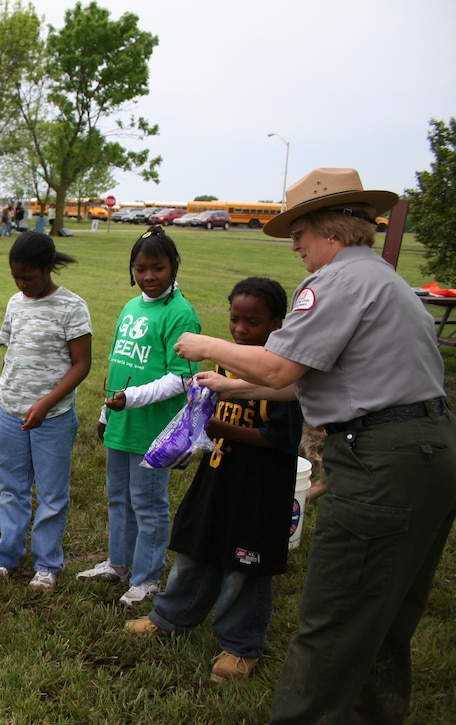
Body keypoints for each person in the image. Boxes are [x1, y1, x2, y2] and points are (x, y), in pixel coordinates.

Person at [175, 168, 456, 723]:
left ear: (328, 228)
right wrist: (230, 385)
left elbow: (279, 364)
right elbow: (301, 378)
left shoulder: (335, 282)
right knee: (385, 616)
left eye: (299, 231)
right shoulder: (383, 280)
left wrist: (206, 345)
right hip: (429, 453)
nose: (295, 244)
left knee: (334, 621)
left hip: (382, 463)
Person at [124, 277, 303, 684]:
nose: (241, 329)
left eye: (253, 322)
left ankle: (240, 646)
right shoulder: (226, 363)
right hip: (218, 478)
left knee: (245, 566)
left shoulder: (282, 374)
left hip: (259, 489)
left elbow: (282, 440)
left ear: (278, 322)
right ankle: (171, 617)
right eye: (235, 319)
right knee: (195, 548)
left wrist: (217, 426)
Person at [77, 225, 201, 606]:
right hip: (122, 423)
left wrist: (131, 399)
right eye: (141, 268)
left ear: (174, 266)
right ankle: (119, 564)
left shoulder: (181, 314)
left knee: (148, 504)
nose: (148, 276)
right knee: (118, 498)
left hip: (152, 428)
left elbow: (182, 379)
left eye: (158, 268)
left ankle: (146, 578)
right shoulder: (132, 307)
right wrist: (105, 411)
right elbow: (120, 367)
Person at [0, 231, 92, 590]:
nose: (21, 283)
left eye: (28, 277)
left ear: (48, 269)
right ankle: (6, 556)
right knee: (11, 488)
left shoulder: (72, 307)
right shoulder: (16, 303)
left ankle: (46, 564)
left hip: (53, 417)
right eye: (16, 277)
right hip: (12, 412)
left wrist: (46, 403)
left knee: (51, 493)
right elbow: (11, 354)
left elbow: (81, 364)